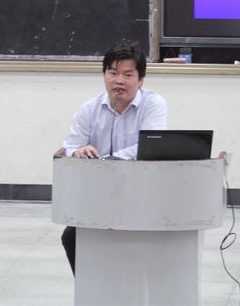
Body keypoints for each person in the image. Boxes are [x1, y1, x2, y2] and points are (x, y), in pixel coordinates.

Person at [58, 41, 167, 275]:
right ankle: (91, 288)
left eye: (128, 74)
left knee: (135, 243)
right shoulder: (90, 108)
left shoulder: (153, 104)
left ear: (140, 80)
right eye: (113, 73)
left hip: (141, 193)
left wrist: (107, 160)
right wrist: (78, 152)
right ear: (104, 75)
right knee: (71, 237)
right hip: (99, 194)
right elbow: (70, 146)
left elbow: (149, 146)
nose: (119, 80)